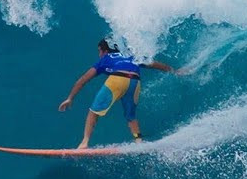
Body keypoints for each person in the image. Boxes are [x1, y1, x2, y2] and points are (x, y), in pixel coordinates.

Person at [57, 39, 186, 149]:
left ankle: (84, 142)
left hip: (117, 79)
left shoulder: (106, 58)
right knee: (131, 117)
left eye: (99, 51)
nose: (99, 54)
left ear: (105, 51)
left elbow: (83, 79)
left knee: (93, 112)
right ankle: (139, 142)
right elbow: (154, 64)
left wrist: (70, 98)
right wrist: (174, 71)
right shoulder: (130, 55)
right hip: (135, 81)